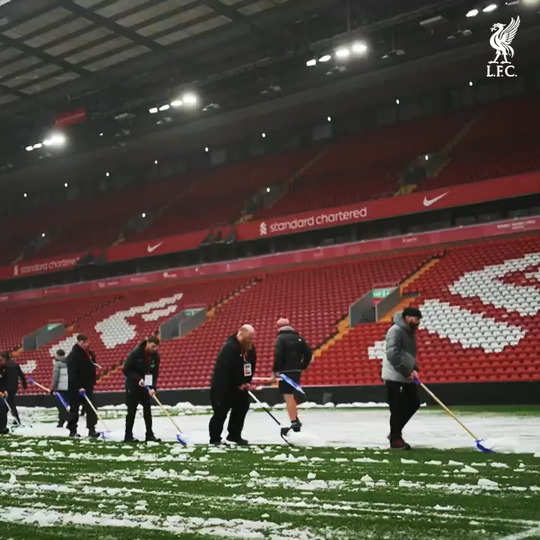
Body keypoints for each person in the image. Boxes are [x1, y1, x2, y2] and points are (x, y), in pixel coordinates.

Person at [209, 325, 256, 446]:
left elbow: (251, 364)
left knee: (241, 409)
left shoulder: (249, 348)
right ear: (240, 334)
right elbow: (228, 368)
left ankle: (234, 435)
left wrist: (247, 382)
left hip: (241, 387)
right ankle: (215, 438)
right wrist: (238, 383)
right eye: (248, 338)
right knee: (220, 412)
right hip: (224, 387)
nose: (250, 340)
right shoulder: (229, 347)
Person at [382, 306, 422, 450]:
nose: (418, 322)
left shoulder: (410, 333)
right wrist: (406, 370)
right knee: (397, 408)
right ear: (407, 317)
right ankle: (395, 440)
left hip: (405, 374)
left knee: (414, 402)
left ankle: (395, 432)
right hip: (394, 375)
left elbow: (409, 354)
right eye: (416, 319)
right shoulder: (395, 331)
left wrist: (415, 368)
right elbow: (392, 353)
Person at [271, 318, 312, 435]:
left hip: (285, 372)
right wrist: (302, 366)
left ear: (278, 327)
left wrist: (274, 372)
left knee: (288, 397)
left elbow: (278, 356)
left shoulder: (280, 339)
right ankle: (295, 418)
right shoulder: (298, 338)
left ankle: (294, 422)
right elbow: (308, 353)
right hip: (296, 371)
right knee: (292, 395)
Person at [122, 336, 161, 443]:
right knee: (131, 411)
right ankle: (128, 435)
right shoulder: (136, 353)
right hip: (133, 386)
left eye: (156, 347)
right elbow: (126, 370)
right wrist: (138, 379)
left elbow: (155, 373)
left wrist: (153, 387)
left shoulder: (155, 356)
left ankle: (149, 434)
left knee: (147, 410)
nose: (154, 349)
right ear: (147, 343)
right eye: (153, 346)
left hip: (146, 387)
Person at [66, 334, 99, 438]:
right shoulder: (73, 355)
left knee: (91, 408)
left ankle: (92, 429)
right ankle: (72, 430)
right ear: (79, 342)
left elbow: (91, 368)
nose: (85, 344)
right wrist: (78, 386)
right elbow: (72, 373)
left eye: (86, 342)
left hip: (88, 386)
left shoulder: (89, 354)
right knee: (74, 410)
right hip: (76, 387)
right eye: (83, 342)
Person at [1, 351, 27, 425]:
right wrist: (24, 384)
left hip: (5, 387)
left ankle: (11, 420)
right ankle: (15, 419)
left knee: (7, 403)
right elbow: (21, 375)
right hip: (14, 387)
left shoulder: (3, 366)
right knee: (9, 402)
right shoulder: (15, 365)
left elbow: (3, 377)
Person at [50, 349, 70, 428]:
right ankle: (63, 421)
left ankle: (65, 420)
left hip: (60, 388)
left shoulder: (57, 363)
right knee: (66, 405)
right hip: (68, 387)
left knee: (61, 406)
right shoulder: (69, 362)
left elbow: (55, 377)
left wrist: (52, 388)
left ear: (57, 355)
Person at [0, 355, 9, 435]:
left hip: (2, 393)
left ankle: (3, 426)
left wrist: (5, 391)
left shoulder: (3, 370)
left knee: (4, 408)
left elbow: (4, 382)